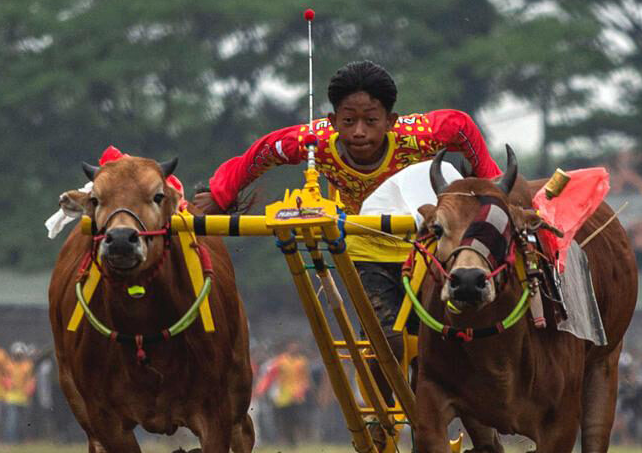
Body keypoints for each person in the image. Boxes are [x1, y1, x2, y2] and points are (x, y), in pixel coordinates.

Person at [195, 60, 502, 399]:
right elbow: (266, 150)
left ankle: (441, 405)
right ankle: (386, 412)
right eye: (348, 121)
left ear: (390, 121)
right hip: (367, 250)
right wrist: (222, 194)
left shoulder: (420, 135)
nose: (359, 132)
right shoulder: (316, 141)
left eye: (371, 121)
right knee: (391, 340)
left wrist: (493, 185)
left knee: (441, 338)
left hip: (426, 248)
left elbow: (461, 125)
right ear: (332, 121)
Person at [254, 340, 311, 446]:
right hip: (283, 395)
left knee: (296, 418)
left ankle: (295, 439)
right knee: (283, 418)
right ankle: (286, 439)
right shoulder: (280, 361)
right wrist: (261, 389)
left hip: (297, 395)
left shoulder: (302, 362)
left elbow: (305, 378)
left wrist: (302, 389)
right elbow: (269, 376)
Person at [2, 342, 34, 444]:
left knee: (24, 421)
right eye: (16, 354)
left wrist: (29, 390)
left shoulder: (28, 365)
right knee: (12, 420)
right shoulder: (8, 365)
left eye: (20, 354)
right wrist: (8, 385)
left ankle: (23, 439)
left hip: (24, 397)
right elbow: (4, 378)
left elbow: (31, 380)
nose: (18, 356)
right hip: (11, 397)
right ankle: (11, 440)